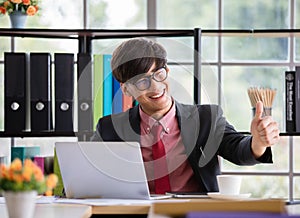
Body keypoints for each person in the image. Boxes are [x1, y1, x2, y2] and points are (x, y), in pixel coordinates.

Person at [91, 37, 280, 194]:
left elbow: (239, 152)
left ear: (167, 72)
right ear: (125, 90)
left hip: (194, 213)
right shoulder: (109, 128)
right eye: (142, 82)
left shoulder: (207, 118)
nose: (156, 87)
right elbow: (85, 175)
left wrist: (258, 142)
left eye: (159, 74)